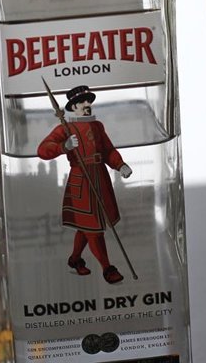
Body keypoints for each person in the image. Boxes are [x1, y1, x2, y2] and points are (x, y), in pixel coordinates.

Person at [37, 85, 132, 284]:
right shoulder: (65, 128)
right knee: (93, 228)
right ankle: (107, 268)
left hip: (100, 177)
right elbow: (42, 150)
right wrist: (64, 147)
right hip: (81, 180)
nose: (87, 104)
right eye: (82, 102)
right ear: (73, 106)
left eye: (89, 100)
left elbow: (108, 150)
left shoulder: (97, 126)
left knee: (87, 226)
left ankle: (75, 260)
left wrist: (120, 164)